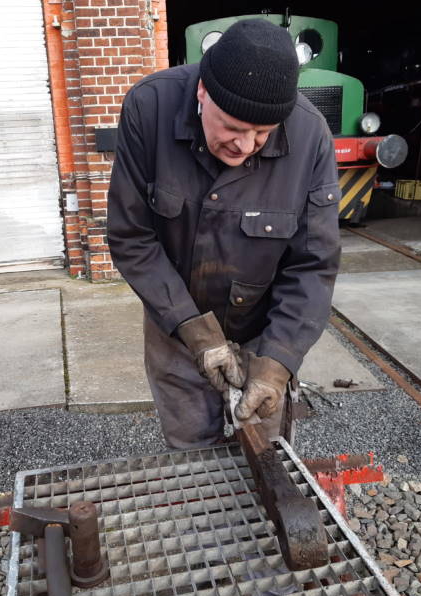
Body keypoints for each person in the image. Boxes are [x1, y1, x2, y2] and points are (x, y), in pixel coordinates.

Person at [107, 18, 341, 449]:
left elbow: (313, 265)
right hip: (175, 323)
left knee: (266, 452)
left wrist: (278, 360)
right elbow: (131, 236)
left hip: (264, 331)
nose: (245, 145)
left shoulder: (311, 137)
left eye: (263, 134)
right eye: (232, 128)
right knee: (191, 450)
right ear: (202, 92)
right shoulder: (149, 107)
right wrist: (192, 329)